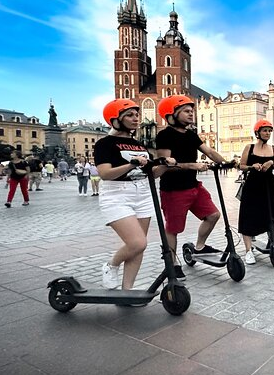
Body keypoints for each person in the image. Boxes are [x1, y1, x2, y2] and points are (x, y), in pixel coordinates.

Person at [95, 99, 174, 290]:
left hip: (142, 194)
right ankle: (111, 265)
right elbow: (105, 174)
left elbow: (150, 175)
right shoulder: (105, 144)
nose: (136, 118)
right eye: (129, 115)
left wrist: (164, 166)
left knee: (139, 247)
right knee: (138, 242)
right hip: (117, 195)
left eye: (136, 114)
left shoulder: (138, 144)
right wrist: (132, 164)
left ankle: (127, 290)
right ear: (115, 120)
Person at [156, 95, 228, 278]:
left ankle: (199, 247)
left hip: (193, 186)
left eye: (191, 111)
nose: (191, 114)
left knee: (213, 215)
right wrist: (191, 165)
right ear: (172, 114)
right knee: (173, 229)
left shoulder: (191, 134)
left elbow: (209, 152)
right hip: (173, 189)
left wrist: (227, 163)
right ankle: (172, 263)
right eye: (186, 111)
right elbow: (166, 166)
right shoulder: (164, 135)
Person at [238, 120, 274, 264]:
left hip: (268, 186)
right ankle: (248, 251)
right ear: (257, 132)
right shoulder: (249, 147)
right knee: (248, 215)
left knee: (270, 214)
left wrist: (272, 162)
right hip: (252, 185)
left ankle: (272, 242)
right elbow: (241, 166)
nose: (268, 133)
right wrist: (252, 166)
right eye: (265, 130)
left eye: (270, 131)